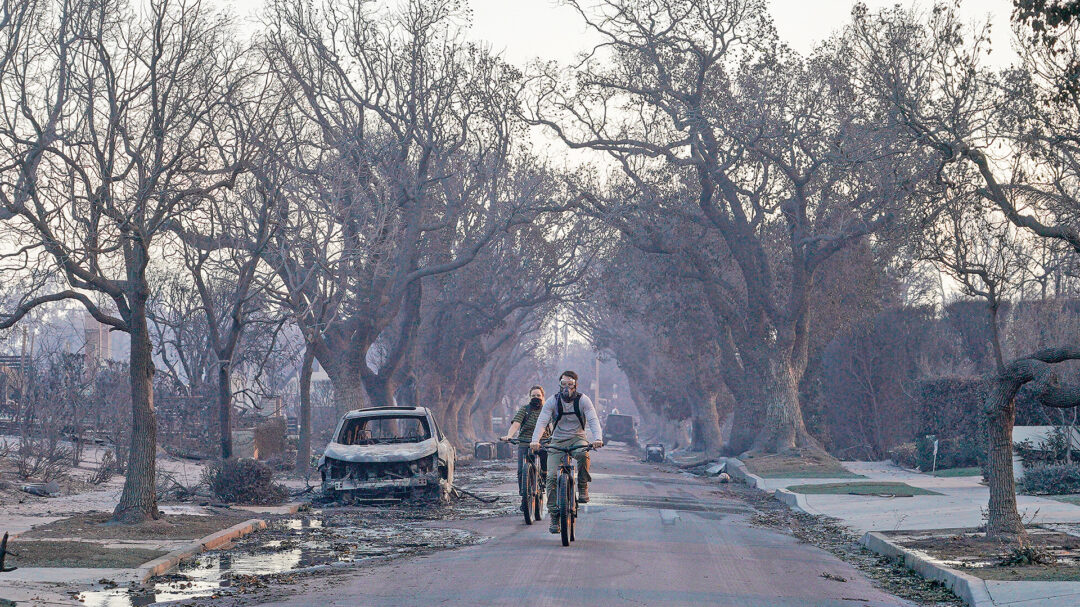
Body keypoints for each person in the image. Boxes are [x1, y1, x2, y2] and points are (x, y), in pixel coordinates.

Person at [530, 370, 603, 534]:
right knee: (551, 477)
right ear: (559, 385)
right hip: (557, 440)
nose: (567, 388)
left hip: (578, 438)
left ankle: (583, 485)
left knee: (584, 456)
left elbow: (592, 419)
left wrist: (598, 438)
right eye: (564, 384)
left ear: (575, 385)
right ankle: (554, 516)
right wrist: (535, 441)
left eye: (570, 385)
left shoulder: (583, 400)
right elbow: (542, 421)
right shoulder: (552, 401)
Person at [500, 386, 550, 510]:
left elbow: (553, 424)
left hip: (543, 441)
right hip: (525, 441)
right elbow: (516, 423)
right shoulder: (525, 410)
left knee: (545, 460)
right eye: (533, 396)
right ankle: (524, 497)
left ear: (543, 397)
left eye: (538, 395)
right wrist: (509, 436)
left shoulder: (547, 410)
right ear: (530, 397)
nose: (536, 398)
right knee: (521, 470)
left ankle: (544, 477)